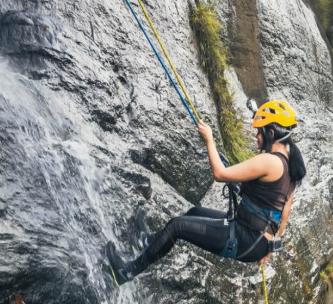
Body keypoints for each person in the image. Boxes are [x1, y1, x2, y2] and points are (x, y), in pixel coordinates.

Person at [106, 100, 307, 286]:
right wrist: (269, 249)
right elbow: (284, 213)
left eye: (259, 132)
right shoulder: (290, 166)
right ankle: (148, 241)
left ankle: (126, 273)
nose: (256, 137)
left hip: (245, 237)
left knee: (177, 227)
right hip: (257, 241)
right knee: (194, 212)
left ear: (271, 133)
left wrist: (209, 140)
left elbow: (221, 174)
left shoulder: (270, 161)